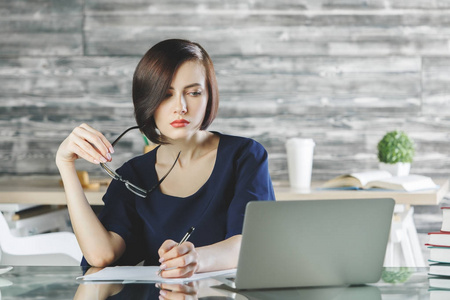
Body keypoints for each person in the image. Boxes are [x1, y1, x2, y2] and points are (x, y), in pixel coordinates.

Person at [56, 39, 275, 278]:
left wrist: (195, 259)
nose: (180, 106)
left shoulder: (244, 156)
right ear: (147, 101)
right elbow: (101, 255)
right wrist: (65, 165)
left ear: (209, 96)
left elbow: (251, 244)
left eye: (193, 92)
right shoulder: (133, 176)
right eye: (166, 94)